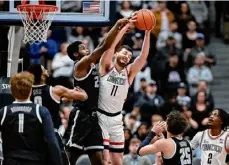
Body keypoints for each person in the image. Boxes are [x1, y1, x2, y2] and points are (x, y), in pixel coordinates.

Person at [65, 17, 132, 165]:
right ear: (76, 54)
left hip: (94, 117)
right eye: (82, 48)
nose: (86, 48)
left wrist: (121, 33)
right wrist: (117, 26)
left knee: (98, 159)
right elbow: (103, 47)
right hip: (81, 115)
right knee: (71, 155)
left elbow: (110, 49)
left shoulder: (92, 65)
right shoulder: (80, 65)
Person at [98, 21, 151, 164]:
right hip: (100, 117)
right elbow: (110, 47)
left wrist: (147, 33)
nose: (127, 56)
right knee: (105, 159)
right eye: (125, 53)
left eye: (129, 56)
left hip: (116, 119)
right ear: (116, 54)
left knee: (118, 161)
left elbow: (143, 56)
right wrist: (122, 30)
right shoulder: (106, 66)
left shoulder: (129, 73)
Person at [27, 64, 88, 165]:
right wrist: (81, 91)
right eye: (44, 69)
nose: (46, 69)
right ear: (42, 76)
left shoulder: (26, 91)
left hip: (33, 135)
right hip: (51, 134)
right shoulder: (56, 90)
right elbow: (83, 97)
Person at [0, 72, 62, 165]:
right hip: (36, 161)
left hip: (10, 161)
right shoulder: (41, 111)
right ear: (30, 91)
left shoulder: (3, 112)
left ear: (12, 92)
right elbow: (52, 142)